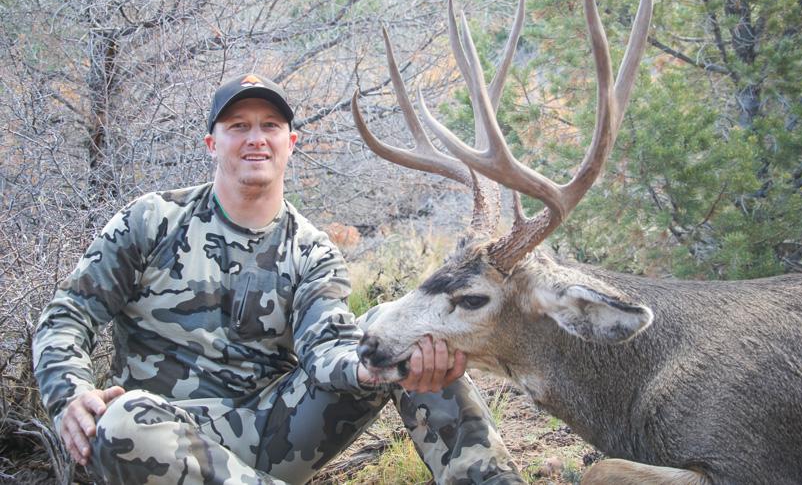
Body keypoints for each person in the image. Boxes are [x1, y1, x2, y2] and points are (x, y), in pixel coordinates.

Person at [32, 73, 524, 484]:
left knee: (398, 331)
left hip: (274, 435)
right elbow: (66, 315)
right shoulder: (152, 220)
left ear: (290, 142)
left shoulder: (312, 251)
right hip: (163, 442)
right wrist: (69, 394)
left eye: (270, 125)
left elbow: (327, 347)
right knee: (122, 420)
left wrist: (376, 367)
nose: (256, 138)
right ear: (212, 143)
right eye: (238, 126)